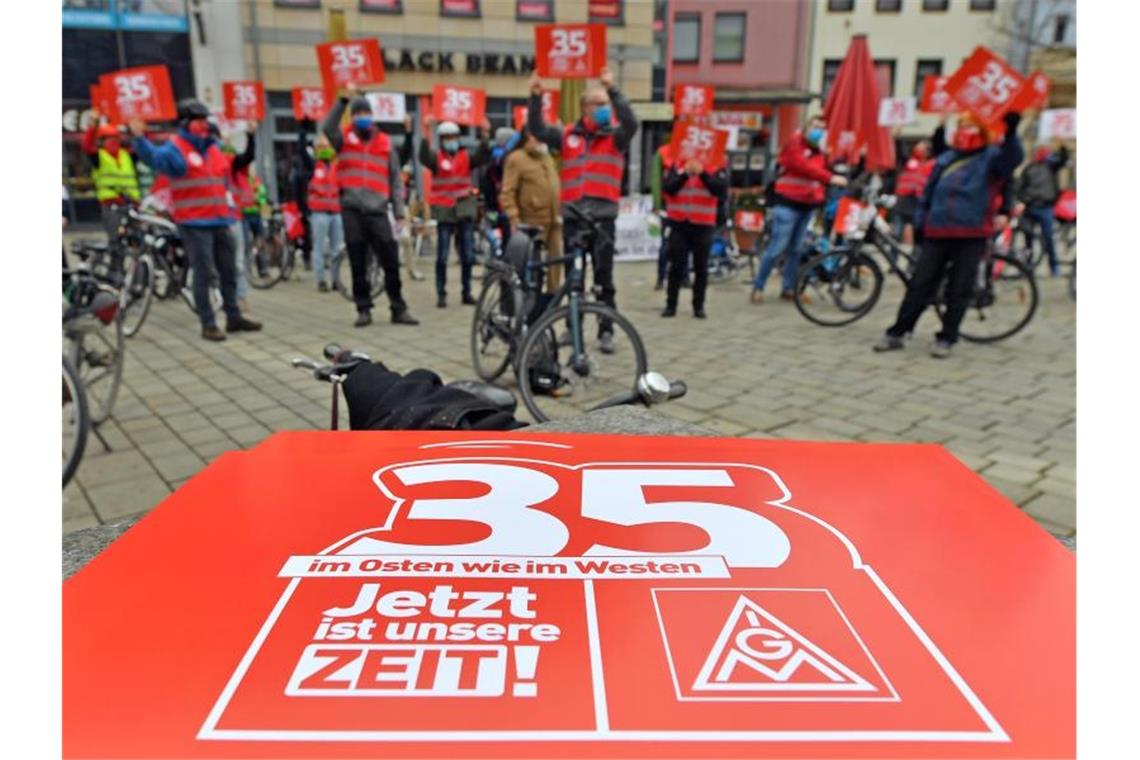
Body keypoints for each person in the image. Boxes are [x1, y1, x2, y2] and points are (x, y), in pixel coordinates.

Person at [874, 111, 1024, 358]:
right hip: (937, 230)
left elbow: (1013, 159)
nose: (965, 130)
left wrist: (1011, 131)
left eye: (970, 126)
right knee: (920, 284)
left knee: (959, 287)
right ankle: (898, 332)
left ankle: (947, 337)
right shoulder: (946, 159)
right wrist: (921, 224)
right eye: (962, 125)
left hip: (972, 233)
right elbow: (928, 195)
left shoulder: (993, 157)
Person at [527, 65, 638, 354]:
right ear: (584, 108)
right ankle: (571, 328)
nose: (605, 109)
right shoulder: (567, 136)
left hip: (602, 219)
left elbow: (631, 122)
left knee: (604, 278)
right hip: (574, 218)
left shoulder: (616, 137)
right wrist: (536, 97)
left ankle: (606, 330)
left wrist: (613, 90)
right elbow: (537, 129)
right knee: (573, 277)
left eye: (606, 104)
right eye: (599, 104)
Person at [130, 99, 262, 341]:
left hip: (220, 220)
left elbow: (238, 165)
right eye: (198, 121)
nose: (203, 125)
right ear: (185, 123)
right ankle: (208, 323)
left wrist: (251, 136)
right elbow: (155, 159)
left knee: (229, 271)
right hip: (193, 222)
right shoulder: (176, 148)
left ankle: (233, 317)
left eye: (205, 120)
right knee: (203, 273)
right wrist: (139, 138)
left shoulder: (214, 149)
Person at [320, 84, 418, 328]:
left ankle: (398, 307)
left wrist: (398, 212)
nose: (362, 117)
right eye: (357, 114)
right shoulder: (343, 138)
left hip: (378, 211)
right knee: (358, 262)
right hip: (352, 210)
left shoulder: (385, 143)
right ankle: (363, 309)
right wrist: (342, 100)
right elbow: (327, 127)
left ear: (372, 116)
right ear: (352, 117)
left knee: (391, 261)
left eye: (365, 113)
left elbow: (395, 179)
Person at [751, 115, 847, 304]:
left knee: (796, 249)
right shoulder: (794, 144)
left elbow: (821, 171)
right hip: (787, 204)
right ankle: (758, 287)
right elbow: (804, 168)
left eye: (822, 128)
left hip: (807, 205)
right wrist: (830, 178)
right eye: (815, 126)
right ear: (806, 127)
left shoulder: (819, 152)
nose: (818, 131)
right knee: (777, 247)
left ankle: (788, 288)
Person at [418, 116, 491, 308]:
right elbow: (423, 157)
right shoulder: (436, 158)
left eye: (453, 136)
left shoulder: (467, 156)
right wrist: (426, 133)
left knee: (467, 254)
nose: (451, 140)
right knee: (442, 255)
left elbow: (484, 155)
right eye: (447, 137)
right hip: (444, 211)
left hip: (464, 209)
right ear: (441, 139)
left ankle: (466, 292)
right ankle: (441, 293)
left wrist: (485, 135)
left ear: (458, 137)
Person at [661, 154, 728, 319]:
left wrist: (702, 173)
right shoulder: (675, 163)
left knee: (701, 268)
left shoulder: (716, 165)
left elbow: (720, 190)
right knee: (676, 266)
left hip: (703, 223)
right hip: (679, 222)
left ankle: (698, 306)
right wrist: (685, 174)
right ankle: (671, 305)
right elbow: (668, 188)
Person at [499, 127, 562, 290]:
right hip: (530, 222)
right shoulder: (516, 158)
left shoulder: (546, 157)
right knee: (530, 267)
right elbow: (507, 192)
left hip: (554, 221)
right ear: (529, 136)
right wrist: (514, 217)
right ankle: (526, 300)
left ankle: (551, 300)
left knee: (556, 263)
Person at [82, 115, 140, 241]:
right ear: (101, 142)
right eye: (108, 139)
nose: (113, 141)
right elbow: (87, 146)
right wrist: (92, 127)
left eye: (115, 138)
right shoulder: (98, 157)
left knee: (137, 241)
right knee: (117, 242)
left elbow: (140, 146)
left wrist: (137, 131)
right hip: (111, 205)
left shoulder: (126, 155)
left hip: (132, 204)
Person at [1016, 142, 1070, 277]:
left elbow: (1062, 159)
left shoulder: (1051, 166)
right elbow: (1020, 188)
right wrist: (1023, 201)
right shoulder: (1028, 169)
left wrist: (1063, 146)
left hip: (1045, 208)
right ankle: (1027, 267)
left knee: (1049, 239)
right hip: (1030, 208)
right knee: (1028, 240)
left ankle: (1054, 267)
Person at [306, 132, 343, 293]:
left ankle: (336, 279)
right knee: (319, 248)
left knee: (337, 249)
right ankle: (321, 280)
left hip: (336, 211)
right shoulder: (312, 166)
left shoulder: (336, 166)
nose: (324, 148)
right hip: (319, 212)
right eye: (320, 146)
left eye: (326, 145)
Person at [892, 141, 934, 244]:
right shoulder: (909, 162)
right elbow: (898, 152)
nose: (917, 150)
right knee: (896, 235)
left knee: (918, 236)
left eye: (921, 148)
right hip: (902, 202)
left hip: (918, 203)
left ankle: (915, 258)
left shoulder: (933, 165)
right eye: (917, 148)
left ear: (928, 152)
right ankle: (892, 258)